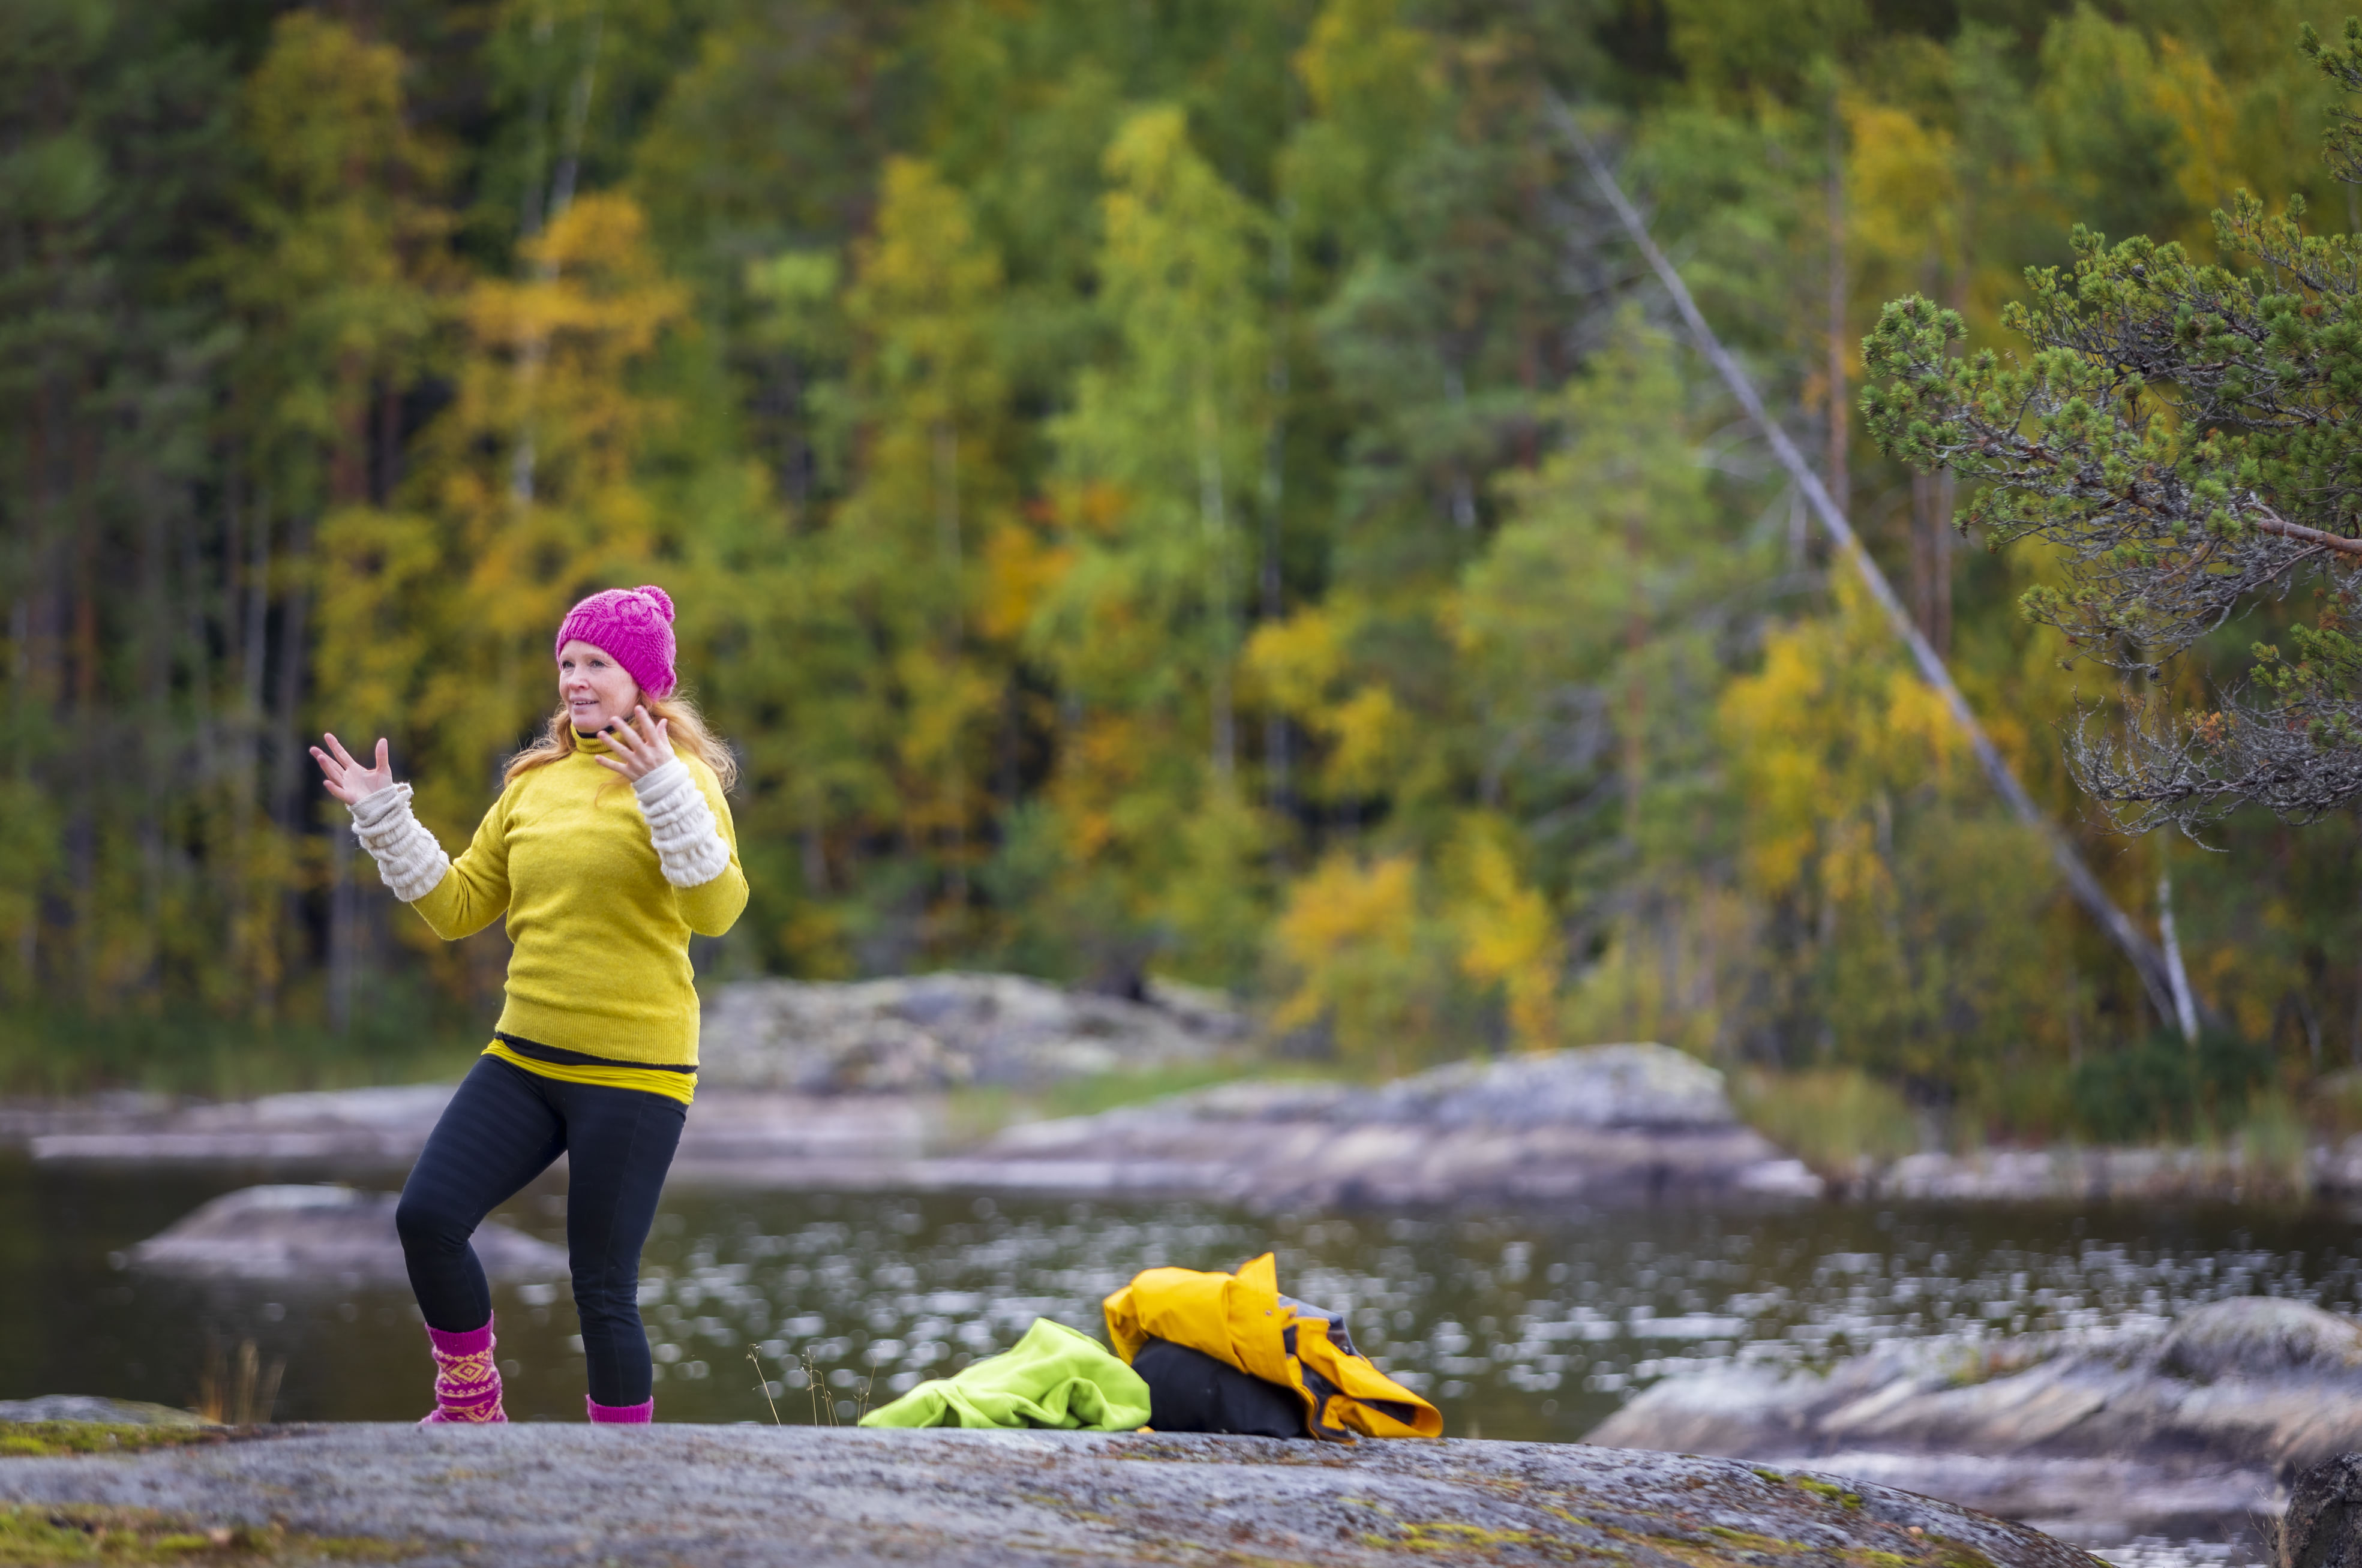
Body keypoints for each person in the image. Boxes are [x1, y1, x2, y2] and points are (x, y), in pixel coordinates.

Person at [312, 584, 746, 1425]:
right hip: (524, 1057)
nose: (575, 680)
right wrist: (382, 817)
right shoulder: (534, 782)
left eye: (597, 663)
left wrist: (660, 791)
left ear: (644, 680)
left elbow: (717, 910)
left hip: (636, 1070)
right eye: (567, 663)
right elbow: (459, 906)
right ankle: (472, 1407)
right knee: (427, 1216)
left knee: (602, 1288)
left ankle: (621, 1478)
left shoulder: (684, 777)